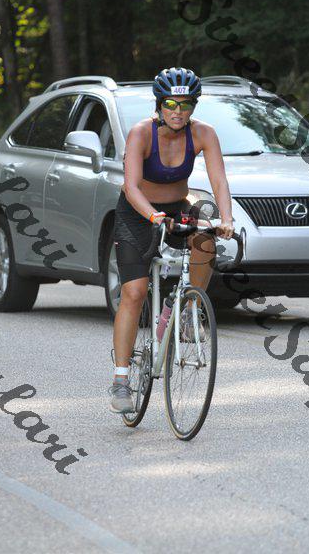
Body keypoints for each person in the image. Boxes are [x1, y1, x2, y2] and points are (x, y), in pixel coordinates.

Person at [109, 66, 234, 414]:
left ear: (194, 106)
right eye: (170, 104)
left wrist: (226, 219)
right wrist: (153, 216)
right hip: (137, 213)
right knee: (134, 292)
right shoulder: (141, 133)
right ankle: (120, 380)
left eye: (185, 104)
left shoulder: (204, 133)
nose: (178, 111)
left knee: (206, 241)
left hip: (177, 207)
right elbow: (131, 186)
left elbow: (219, 181)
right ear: (159, 104)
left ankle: (188, 310)